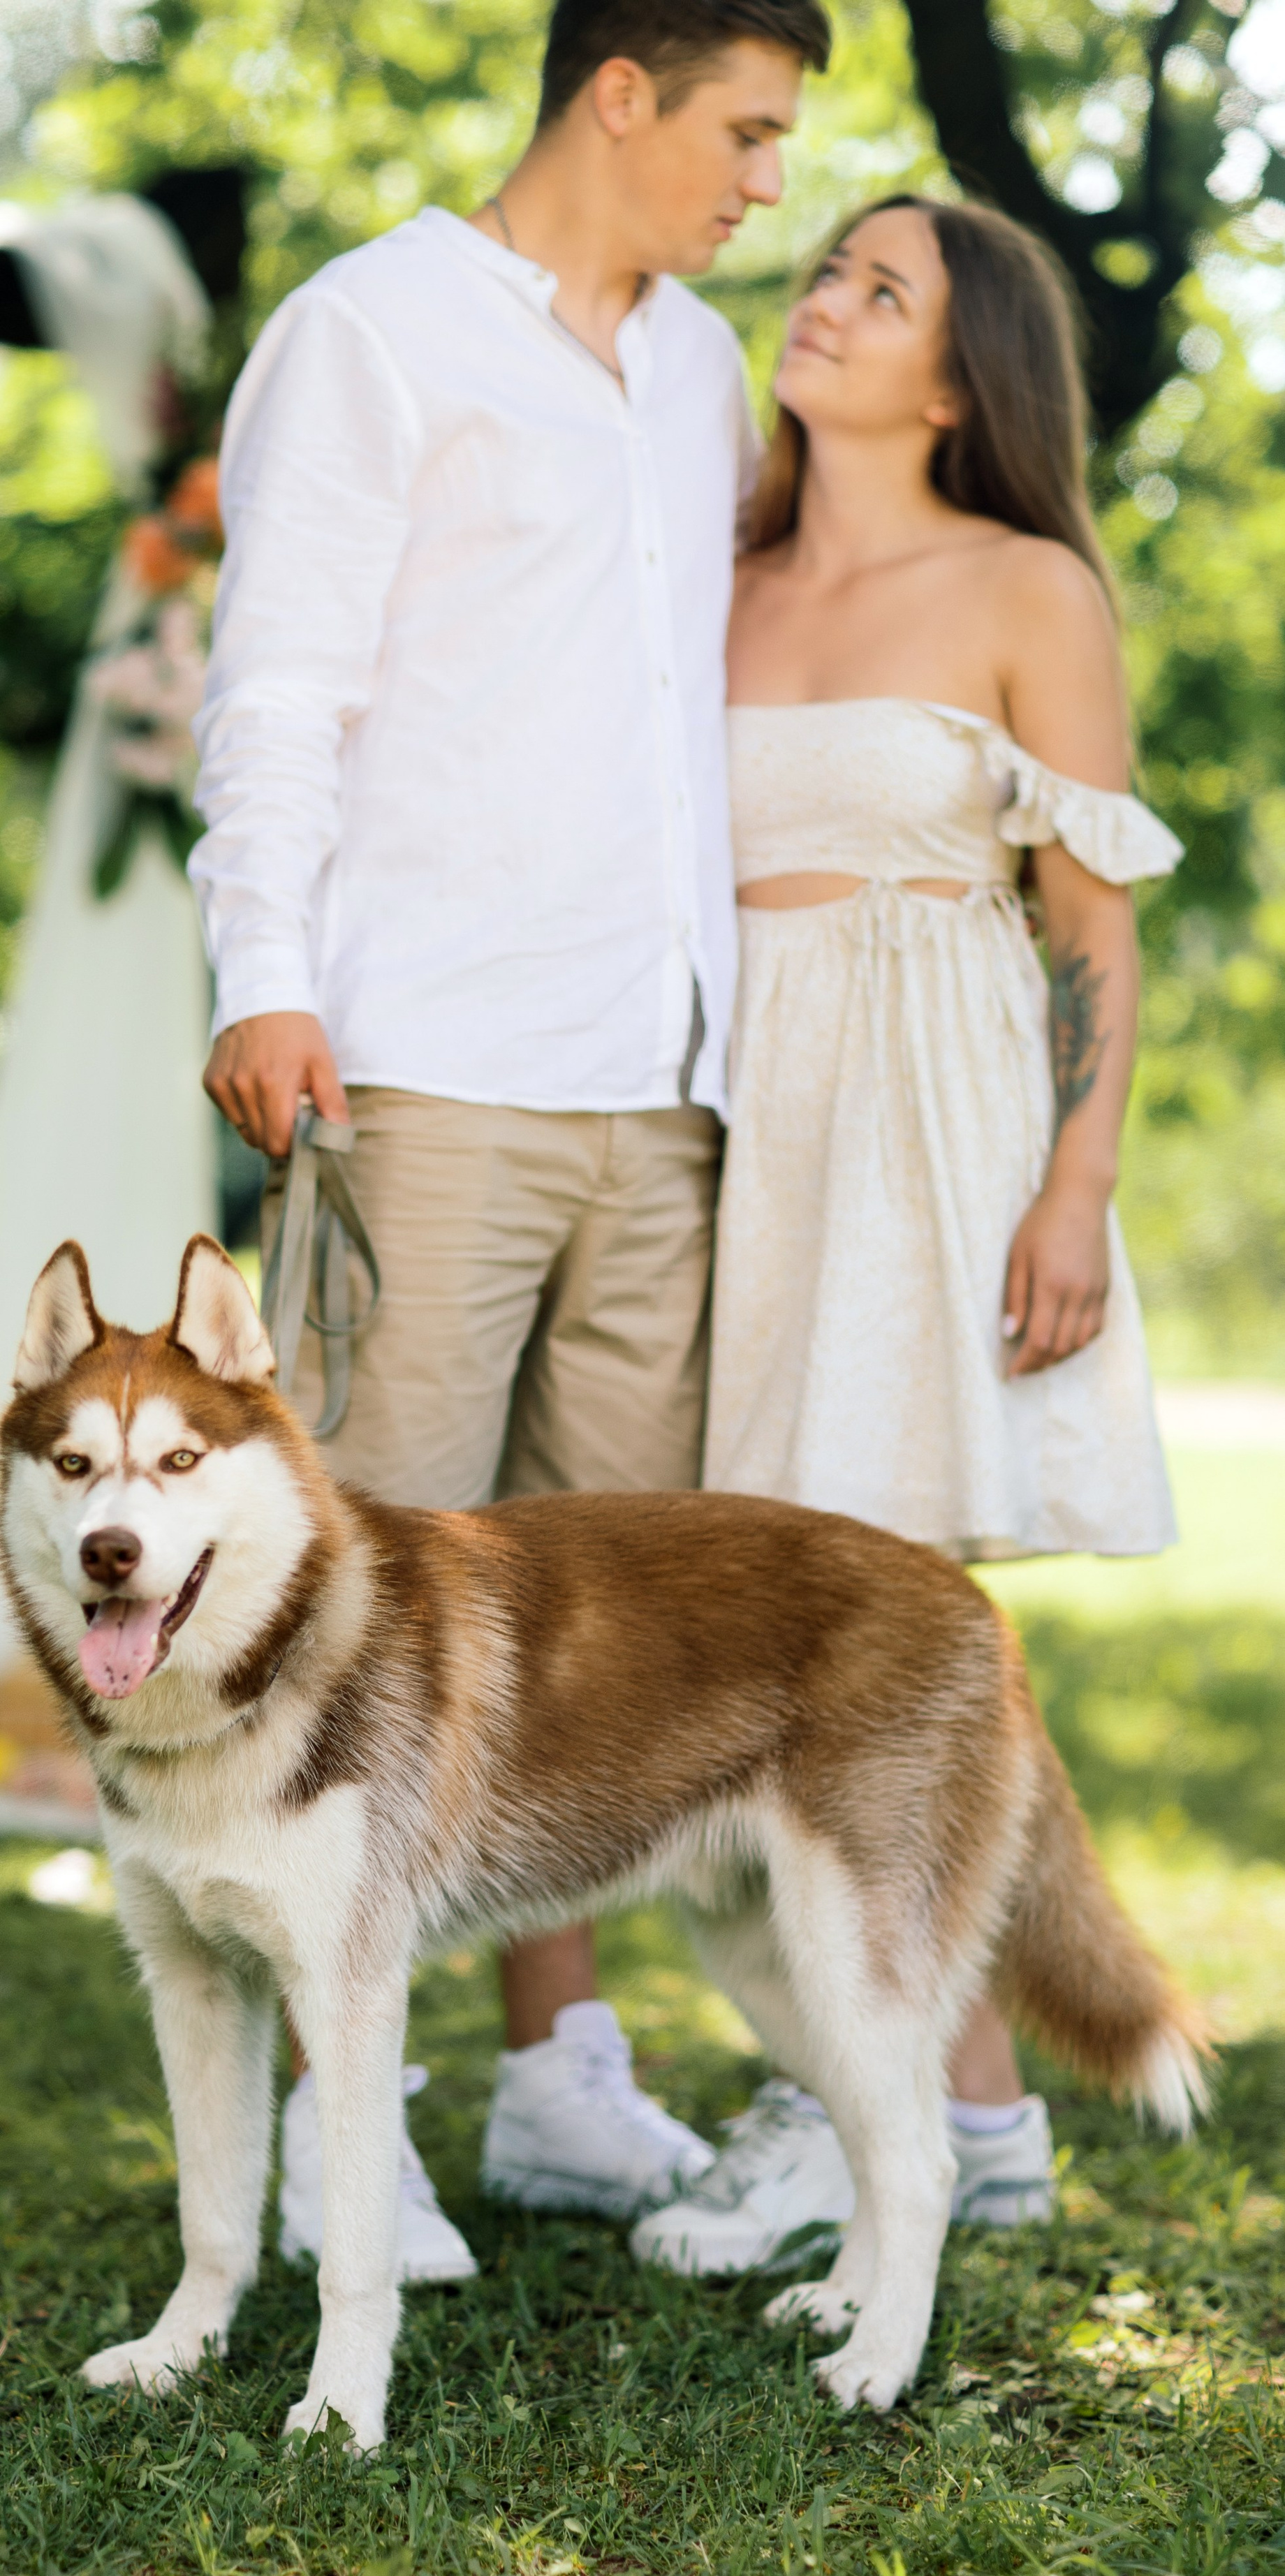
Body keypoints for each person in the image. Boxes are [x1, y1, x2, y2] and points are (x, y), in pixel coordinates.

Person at [193, 0, 835, 2280]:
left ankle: (562, 2081)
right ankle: (329, 2129)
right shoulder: (372, 331)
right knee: (360, 1623)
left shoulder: (701, 374)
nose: (769, 184)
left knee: (593, 1638)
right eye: (747, 130)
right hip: (427, 1059)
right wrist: (262, 968)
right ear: (619, 92)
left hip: (663, 1080)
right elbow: (281, 680)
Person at [630, 195, 1182, 2285]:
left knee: (848, 1622)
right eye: (828, 270)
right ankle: (970, 2109)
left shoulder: (1027, 585)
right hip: (725, 1112)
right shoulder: (719, 568)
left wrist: (1079, 1185)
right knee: (753, 1629)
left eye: (885, 292)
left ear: (961, 384)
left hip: (927, 1126)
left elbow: (1093, 925)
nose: (827, 304)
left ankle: (877, 2102)